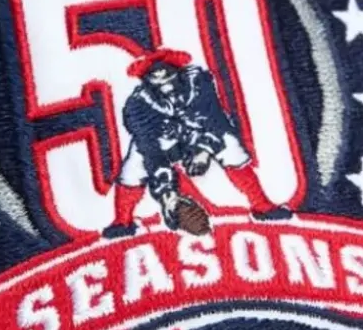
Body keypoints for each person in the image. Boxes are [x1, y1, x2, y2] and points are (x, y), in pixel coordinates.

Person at [103, 47, 291, 238]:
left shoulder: (198, 82)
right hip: (163, 139)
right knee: (134, 165)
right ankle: (122, 221)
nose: (164, 83)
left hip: (199, 130)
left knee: (230, 145)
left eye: (167, 74)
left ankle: (262, 206)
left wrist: (203, 151)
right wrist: (168, 195)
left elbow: (215, 119)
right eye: (156, 77)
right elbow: (149, 146)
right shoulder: (137, 104)